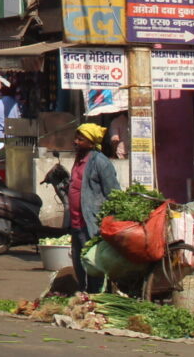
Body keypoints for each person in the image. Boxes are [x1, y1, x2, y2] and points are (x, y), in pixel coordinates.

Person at [69, 122, 119, 291]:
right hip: (75, 223)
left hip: (90, 224)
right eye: (76, 138)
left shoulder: (101, 162)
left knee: (92, 265)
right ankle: (84, 296)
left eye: (80, 139)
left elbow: (113, 193)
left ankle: (95, 299)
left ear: (91, 143)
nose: (76, 142)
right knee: (79, 264)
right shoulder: (79, 160)